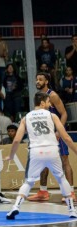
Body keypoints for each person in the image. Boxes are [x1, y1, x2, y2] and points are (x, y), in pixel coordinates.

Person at [5, 92, 77, 220]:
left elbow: (16, 140)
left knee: (29, 181)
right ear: (42, 103)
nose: (50, 104)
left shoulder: (26, 117)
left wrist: (11, 155)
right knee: (61, 179)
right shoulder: (52, 115)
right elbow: (66, 137)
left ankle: (16, 206)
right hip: (52, 150)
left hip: (36, 151)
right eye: (48, 102)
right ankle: (72, 210)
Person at [27, 72, 75, 202]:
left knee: (65, 161)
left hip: (57, 132)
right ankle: (43, 191)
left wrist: (59, 131)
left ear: (46, 81)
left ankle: (71, 193)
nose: (37, 81)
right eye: (36, 79)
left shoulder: (52, 96)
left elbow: (64, 114)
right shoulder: (38, 97)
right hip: (46, 134)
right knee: (44, 162)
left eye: (40, 79)